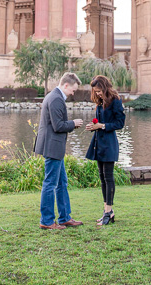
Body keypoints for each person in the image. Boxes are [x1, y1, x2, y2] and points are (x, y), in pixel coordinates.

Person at [34, 72, 84, 230]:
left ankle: (64, 217)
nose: (73, 93)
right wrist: (73, 123)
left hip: (54, 147)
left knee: (62, 182)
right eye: (73, 90)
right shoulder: (56, 99)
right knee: (50, 184)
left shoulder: (52, 96)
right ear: (66, 85)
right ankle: (47, 221)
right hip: (52, 146)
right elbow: (58, 126)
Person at [84, 75, 125, 226]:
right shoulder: (100, 102)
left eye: (100, 91)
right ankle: (107, 211)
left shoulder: (115, 100)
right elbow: (100, 122)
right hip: (98, 143)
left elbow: (120, 123)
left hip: (109, 144)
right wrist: (93, 126)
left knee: (108, 177)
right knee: (102, 178)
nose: (98, 94)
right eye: (96, 91)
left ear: (105, 87)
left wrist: (101, 126)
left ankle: (108, 211)